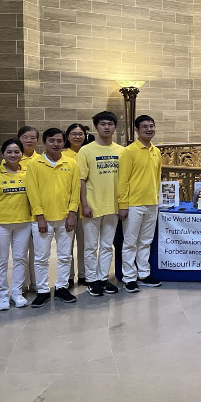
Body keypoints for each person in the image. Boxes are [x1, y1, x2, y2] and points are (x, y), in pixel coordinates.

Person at [25, 127, 81, 308]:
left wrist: (72, 214)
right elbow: (32, 192)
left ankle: (62, 287)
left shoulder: (71, 164)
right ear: (44, 142)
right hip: (42, 219)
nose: (55, 144)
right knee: (41, 257)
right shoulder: (35, 164)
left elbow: (76, 191)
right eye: (51, 140)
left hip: (65, 218)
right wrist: (40, 216)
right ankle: (42, 290)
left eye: (59, 141)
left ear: (63, 142)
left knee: (65, 256)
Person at [77, 111, 123, 297]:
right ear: (96, 126)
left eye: (110, 124)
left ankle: (103, 279)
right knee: (90, 246)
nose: (106, 127)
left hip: (113, 206)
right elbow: (80, 180)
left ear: (114, 127)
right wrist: (84, 204)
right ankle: (91, 280)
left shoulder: (121, 151)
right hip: (92, 206)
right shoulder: (86, 150)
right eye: (103, 124)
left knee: (106, 245)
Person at [0, 138, 31, 311]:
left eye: (17, 151)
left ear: (21, 153)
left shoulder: (28, 172)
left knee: (20, 259)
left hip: (24, 223)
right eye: (9, 152)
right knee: (1, 261)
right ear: (3, 154)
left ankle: (16, 293)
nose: (13, 155)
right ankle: (3, 295)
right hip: (0, 224)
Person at [118, 114, 163, 293]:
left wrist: (158, 199)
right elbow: (123, 180)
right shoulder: (129, 151)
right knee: (130, 242)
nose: (149, 129)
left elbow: (158, 177)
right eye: (144, 126)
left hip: (152, 202)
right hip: (134, 204)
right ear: (137, 130)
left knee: (145, 241)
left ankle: (143, 274)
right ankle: (129, 278)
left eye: (151, 126)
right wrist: (123, 204)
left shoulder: (156, 151)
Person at [64, 123, 88, 286]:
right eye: (74, 134)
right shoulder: (63, 154)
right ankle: (68, 276)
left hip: (86, 204)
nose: (77, 137)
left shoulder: (88, 152)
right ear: (68, 136)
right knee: (67, 243)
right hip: (68, 205)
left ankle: (84, 274)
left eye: (80, 134)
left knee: (85, 242)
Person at [17, 125, 39, 295]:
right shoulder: (13, 158)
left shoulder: (41, 159)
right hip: (20, 210)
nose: (29, 140)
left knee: (37, 250)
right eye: (25, 137)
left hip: (38, 211)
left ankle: (36, 282)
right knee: (21, 251)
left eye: (32, 137)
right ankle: (22, 284)